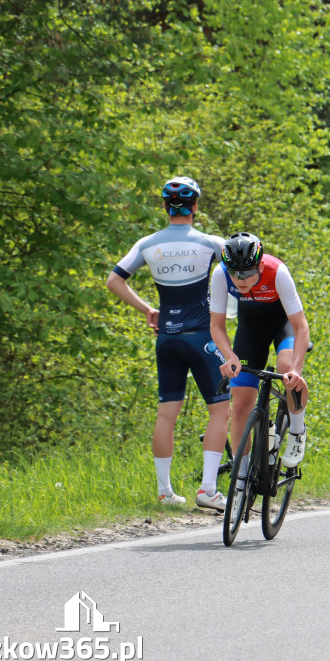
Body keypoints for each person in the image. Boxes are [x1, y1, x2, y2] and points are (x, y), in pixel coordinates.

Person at [106, 176, 229, 507]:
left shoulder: (148, 244)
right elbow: (243, 273)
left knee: (166, 415)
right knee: (220, 410)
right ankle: (207, 490)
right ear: (196, 206)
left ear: (164, 207)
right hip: (203, 337)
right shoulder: (210, 242)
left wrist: (147, 309)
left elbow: (114, 280)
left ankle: (164, 492)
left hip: (167, 339)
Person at [209, 232, 310, 479]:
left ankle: (297, 432)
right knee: (241, 404)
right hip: (250, 330)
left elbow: (301, 326)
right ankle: (241, 479)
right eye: (235, 273)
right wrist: (229, 356)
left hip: (282, 325)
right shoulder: (221, 274)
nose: (240, 280)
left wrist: (297, 368)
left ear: (260, 265)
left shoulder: (278, 272)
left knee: (286, 367)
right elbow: (216, 326)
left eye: (246, 273)